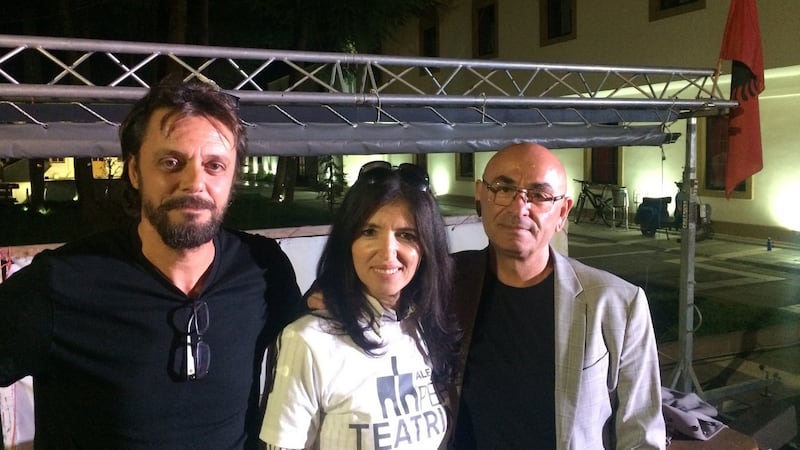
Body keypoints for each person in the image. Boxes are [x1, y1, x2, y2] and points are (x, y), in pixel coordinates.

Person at [0, 77, 305, 449]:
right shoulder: (60, 283)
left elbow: (326, 344)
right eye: (171, 162)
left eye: (214, 166)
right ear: (134, 172)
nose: (194, 182)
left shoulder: (264, 269)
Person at [451, 143, 666, 449]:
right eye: (503, 188)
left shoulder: (617, 305)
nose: (518, 208)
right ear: (480, 195)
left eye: (538, 195)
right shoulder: (446, 285)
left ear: (563, 211)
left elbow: (641, 435)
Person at [260, 161, 460, 450]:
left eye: (407, 235)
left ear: (427, 249)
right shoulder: (308, 340)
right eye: (369, 231)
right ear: (347, 243)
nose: (388, 252)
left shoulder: (424, 327)